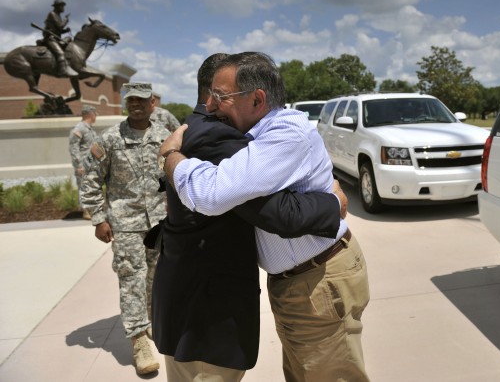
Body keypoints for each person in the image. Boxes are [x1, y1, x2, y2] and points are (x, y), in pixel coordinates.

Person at [161, 52, 370, 381]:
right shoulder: (251, 135)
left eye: (221, 96)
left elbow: (209, 194)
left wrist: (172, 156)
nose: (211, 106)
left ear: (257, 99)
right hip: (299, 282)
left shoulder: (284, 133)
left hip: (318, 279)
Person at [80, 82, 168, 375]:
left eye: (142, 101)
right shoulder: (110, 138)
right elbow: (91, 179)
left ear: (152, 103)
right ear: (126, 104)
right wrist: (98, 218)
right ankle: (139, 342)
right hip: (125, 223)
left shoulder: (163, 137)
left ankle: (152, 323)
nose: (137, 106)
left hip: (159, 221)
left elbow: (175, 176)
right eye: (131, 101)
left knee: (155, 278)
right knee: (132, 279)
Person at [68, 104, 97, 220]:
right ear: (90, 114)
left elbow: (93, 147)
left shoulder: (89, 129)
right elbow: (73, 148)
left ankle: (91, 210)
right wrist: (78, 165)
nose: (96, 117)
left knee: (91, 187)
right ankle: (86, 211)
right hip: (84, 165)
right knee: (84, 187)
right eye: (95, 114)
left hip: (91, 164)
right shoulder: (79, 128)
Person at [43, 0, 76, 77]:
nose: (63, 8)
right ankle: (62, 71)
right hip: (50, 38)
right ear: (57, 7)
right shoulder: (52, 14)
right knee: (60, 53)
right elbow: (60, 26)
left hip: (56, 37)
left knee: (69, 39)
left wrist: (65, 31)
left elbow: (58, 30)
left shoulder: (58, 15)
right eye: (62, 6)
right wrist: (65, 20)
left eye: (63, 6)